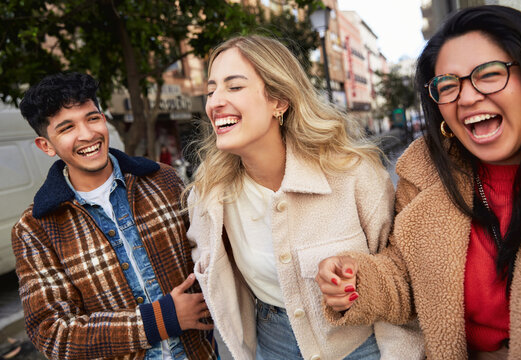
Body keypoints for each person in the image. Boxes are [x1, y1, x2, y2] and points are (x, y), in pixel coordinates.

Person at [317, 5, 521, 359]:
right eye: (448, 85)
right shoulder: (424, 173)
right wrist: (357, 281)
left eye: (489, 74)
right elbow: (409, 277)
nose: (466, 97)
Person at [184, 35, 424, 360]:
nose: (214, 102)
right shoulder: (209, 195)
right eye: (211, 90)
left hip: (364, 346)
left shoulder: (353, 174)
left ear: (279, 101)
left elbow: (400, 277)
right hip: (273, 344)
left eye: (234, 87)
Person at [12, 72, 216, 360]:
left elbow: (208, 257)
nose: (87, 134)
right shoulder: (35, 228)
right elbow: (52, 333)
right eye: (67, 127)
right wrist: (159, 319)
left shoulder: (163, 181)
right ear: (46, 145)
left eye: (92, 118)